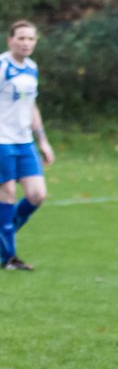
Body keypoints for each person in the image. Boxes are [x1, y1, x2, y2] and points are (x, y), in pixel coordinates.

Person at [1, 20, 55, 271]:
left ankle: (4, 240)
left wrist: (42, 140)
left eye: (30, 39)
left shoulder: (32, 68)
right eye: (21, 38)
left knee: (37, 195)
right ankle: (9, 258)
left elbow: (31, 105)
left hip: (25, 142)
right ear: (10, 40)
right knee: (8, 195)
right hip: (2, 142)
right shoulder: (2, 67)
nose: (26, 43)